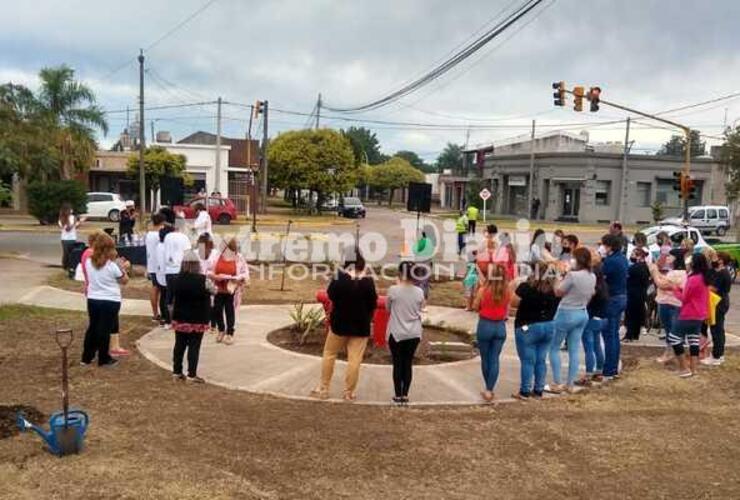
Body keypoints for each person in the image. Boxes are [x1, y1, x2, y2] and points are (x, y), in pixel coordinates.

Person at [310, 249, 378, 401]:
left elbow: (331, 296)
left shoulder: (339, 278)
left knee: (329, 354)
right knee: (354, 359)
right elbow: (373, 303)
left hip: (339, 324)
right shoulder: (368, 281)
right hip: (361, 325)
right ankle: (349, 392)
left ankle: (323, 388)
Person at [548, 247, 595, 393]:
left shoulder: (573, 275)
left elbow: (558, 292)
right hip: (582, 311)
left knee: (554, 347)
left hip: (567, 312)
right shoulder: (592, 276)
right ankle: (570, 384)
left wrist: (556, 279)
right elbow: (591, 293)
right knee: (574, 349)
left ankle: (557, 382)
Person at [511, 261, 559, 399]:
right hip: (549, 325)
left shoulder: (526, 287)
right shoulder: (555, 290)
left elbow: (513, 303)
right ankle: (538, 389)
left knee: (527, 360)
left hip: (528, 325)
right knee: (541, 359)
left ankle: (525, 390)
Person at [81, 233, 129, 367]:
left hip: (93, 298)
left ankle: (86, 356)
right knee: (105, 329)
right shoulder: (111, 265)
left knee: (93, 327)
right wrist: (123, 269)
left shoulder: (89, 262)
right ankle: (104, 358)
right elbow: (124, 280)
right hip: (110, 300)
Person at [171, 251, 214, 383]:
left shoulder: (175, 279)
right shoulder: (204, 280)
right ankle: (191, 374)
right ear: (197, 265)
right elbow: (213, 290)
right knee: (194, 346)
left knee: (179, 345)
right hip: (198, 318)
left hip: (180, 318)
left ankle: (177, 372)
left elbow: (171, 298)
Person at [386, 261, 425, 404]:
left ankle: (397, 395)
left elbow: (388, 308)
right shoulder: (420, 292)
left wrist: (397, 285)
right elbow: (422, 307)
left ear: (400, 273)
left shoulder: (393, 290)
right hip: (414, 333)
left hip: (397, 332)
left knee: (397, 363)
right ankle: (405, 395)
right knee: (408, 363)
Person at [473, 263, 511, 402]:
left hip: (485, 324)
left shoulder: (484, 290)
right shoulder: (507, 291)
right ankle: (490, 389)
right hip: (500, 326)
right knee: (495, 359)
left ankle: (487, 389)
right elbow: (508, 306)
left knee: (485, 358)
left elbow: (475, 306)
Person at [670, 253, 711, 377]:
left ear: (693, 264)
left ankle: (684, 368)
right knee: (693, 339)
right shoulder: (704, 277)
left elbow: (684, 298)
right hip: (700, 314)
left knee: (674, 338)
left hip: (689, 313)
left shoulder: (693, 279)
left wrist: (675, 289)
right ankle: (694, 369)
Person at [208, 237, 249, 345]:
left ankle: (230, 333)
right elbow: (208, 270)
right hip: (218, 289)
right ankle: (221, 329)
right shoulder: (216, 256)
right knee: (217, 310)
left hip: (231, 290)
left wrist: (238, 278)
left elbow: (245, 273)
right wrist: (215, 276)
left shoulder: (239, 258)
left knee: (229, 311)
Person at [649, 249, 687, 364]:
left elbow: (662, 284)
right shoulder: (682, 273)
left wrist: (654, 272)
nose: (667, 258)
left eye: (670, 256)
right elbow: (666, 281)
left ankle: (670, 353)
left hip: (669, 303)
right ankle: (674, 353)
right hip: (675, 304)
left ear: (676, 258)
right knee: (674, 330)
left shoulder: (675, 273)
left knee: (670, 330)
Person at [600, 234, 629, 380]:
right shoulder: (622, 258)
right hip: (622, 297)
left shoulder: (610, 261)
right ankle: (613, 367)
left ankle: (609, 369)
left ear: (609, 246)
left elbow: (601, 276)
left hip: (612, 299)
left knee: (609, 334)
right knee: (614, 334)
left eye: (604, 245)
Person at [579, 251, 608, 385]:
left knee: (588, 347)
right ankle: (599, 370)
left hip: (591, 318)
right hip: (602, 318)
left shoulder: (594, 288)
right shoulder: (604, 286)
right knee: (597, 345)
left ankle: (589, 373)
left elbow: (587, 300)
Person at [701, 251, 731, 366]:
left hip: (719, 303)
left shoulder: (723, 273)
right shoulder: (716, 271)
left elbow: (712, 288)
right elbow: (708, 274)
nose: (713, 259)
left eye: (715, 257)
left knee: (716, 330)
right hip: (715, 302)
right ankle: (720, 354)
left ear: (721, 260)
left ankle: (716, 356)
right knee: (718, 329)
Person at [163, 216, 192, 322]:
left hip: (169, 270)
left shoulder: (167, 237)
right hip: (180, 270)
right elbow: (187, 255)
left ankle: (168, 320)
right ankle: (179, 319)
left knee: (169, 296)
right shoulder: (184, 238)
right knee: (180, 296)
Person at [623, 247, 651, 342]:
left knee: (631, 315)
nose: (631, 257)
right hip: (641, 293)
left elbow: (627, 278)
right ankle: (635, 334)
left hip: (633, 293)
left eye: (633, 255)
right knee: (637, 315)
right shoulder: (645, 266)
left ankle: (629, 335)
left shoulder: (634, 268)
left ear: (639, 256)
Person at [145, 213, 166, 323]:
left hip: (151, 265)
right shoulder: (159, 235)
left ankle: (155, 313)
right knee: (161, 290)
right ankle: (162, 313)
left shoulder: (149, 234)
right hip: (159, 266)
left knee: (155, 288)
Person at [156, 226, 174, 327]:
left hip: (161, 274)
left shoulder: (159, 245)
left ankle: (164, 317)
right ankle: (168, 319)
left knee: (163, 296)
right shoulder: (165, 248)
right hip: (165, 274)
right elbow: (169, 261)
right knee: (168, 298)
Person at [58, 203, 80, 271]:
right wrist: (73, 223)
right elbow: (68, 229)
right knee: (66, 253)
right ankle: (65, 266)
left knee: (72, 253)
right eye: (70, 209)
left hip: (73, 238)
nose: (71, 210)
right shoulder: (62, 218)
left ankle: (71, 266)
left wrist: (79, 222)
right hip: (65, 239)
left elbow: (76, 227)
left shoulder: (73, 217)